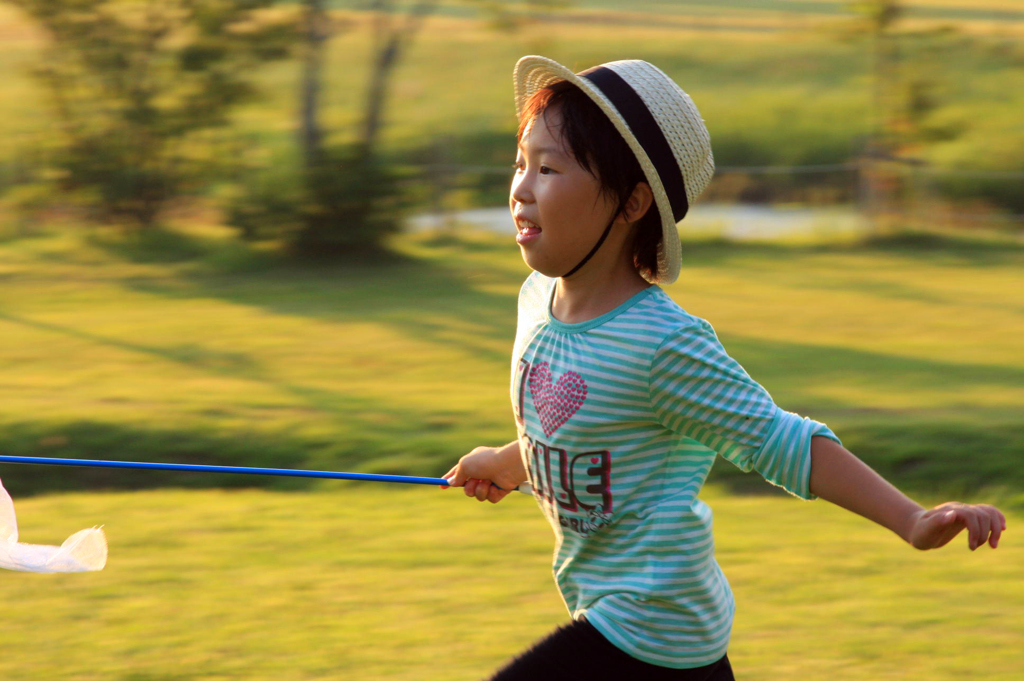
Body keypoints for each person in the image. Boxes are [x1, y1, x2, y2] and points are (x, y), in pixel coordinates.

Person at [442, 56, 1007, 680]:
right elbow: (593, 427)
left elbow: (778, 439)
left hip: (654, 628)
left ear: (631, 204)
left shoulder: (663, 344)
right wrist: (508, 460)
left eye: (548, 168)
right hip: (621, 625)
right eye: (521, 162)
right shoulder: (535, 304)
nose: (521, 187)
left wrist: (914, 519)